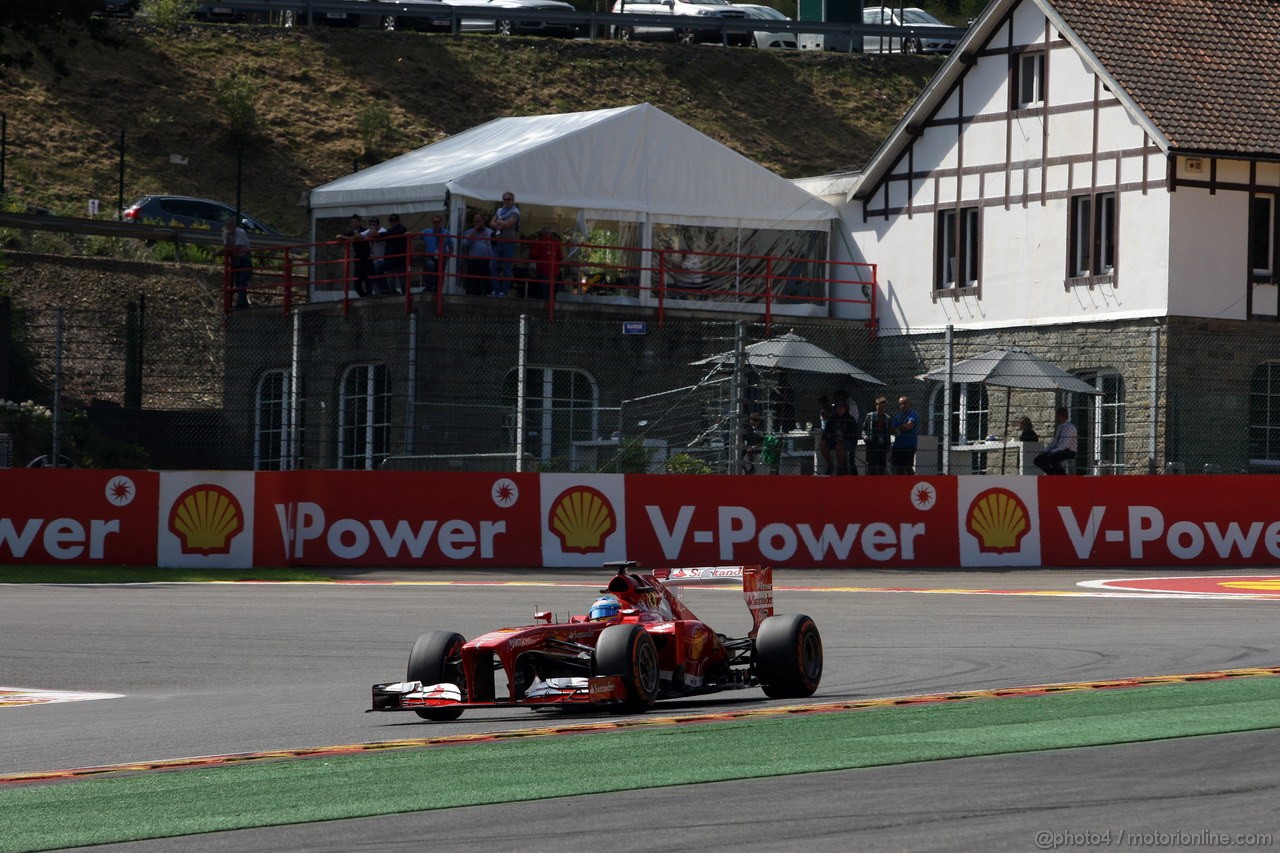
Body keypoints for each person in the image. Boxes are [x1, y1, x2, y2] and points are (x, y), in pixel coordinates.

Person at [488, 192, 520, 297]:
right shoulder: (500, 210)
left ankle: (504, 291)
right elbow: (491, 223)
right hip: (498, 242)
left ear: (513, 200)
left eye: (508, 199)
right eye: (505, 199)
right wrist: (501, 223)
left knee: (507, 268)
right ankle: (496, 289)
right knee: (493, 266)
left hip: (509, 243)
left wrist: (498, 222)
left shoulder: (515, 212)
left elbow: (508, 224)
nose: (506, 201)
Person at [336, 214, 372, 297]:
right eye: (352, 222)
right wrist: (340, 236)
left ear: (359, 222)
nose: (354, 224)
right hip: (358, 258)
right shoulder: (351, 232)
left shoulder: (364, 230)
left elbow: (356, 237)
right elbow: (341, 236)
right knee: (357, 283)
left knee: (367, 278)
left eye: (355, 222)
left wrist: (343, 236)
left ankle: (369, 295)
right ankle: (364, 297)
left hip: (366, 257)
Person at [1035, 407, 1078, 474]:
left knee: (1052, 457)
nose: (1056, 418)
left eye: (1057, 416)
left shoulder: (1070, 428)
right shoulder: (1060, 427)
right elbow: (1055, 442)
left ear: (1060, 416)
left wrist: (1053, 451)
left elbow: (1065, 445)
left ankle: (1062, 476)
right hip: (1058, 449)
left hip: (1069, 450)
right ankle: (1051, 474)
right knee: (1038, 460)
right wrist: (1046, 451)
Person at [221, 216, 252, 309]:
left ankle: (241, 303)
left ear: (235, 225)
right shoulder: (225, 233)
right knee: (238, 282)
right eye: (228, 224)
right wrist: (225, 250)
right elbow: (227, 245)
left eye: (231, 224)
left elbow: (237, 247)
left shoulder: (240, 232)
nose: (230, 226)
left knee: (242, 281)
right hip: (235, 258)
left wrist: (223, 251)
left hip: (244, 257)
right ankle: (243, 302)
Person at [460, 212, 493, 296]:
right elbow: (465, 243)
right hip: (474, 260)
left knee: (487, 280)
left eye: (479, 221)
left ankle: (487, 294)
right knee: (474, 281)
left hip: (486, 260)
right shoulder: (469, 232)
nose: (478, 223)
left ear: (483, 221)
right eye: (476, 221)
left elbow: (494, 245)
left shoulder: (490, 232)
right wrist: (473, 232)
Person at [419, 214, 454, 293]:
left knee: (440, 274)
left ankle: (437, 290)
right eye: (434, 222)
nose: (436, 224)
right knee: (431, 266)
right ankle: (429, 287)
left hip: (441, 257)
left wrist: (447, 258)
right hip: (430, 256)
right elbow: (416, 236)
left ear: (441, 222)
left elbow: (451, 247)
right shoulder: (427, 231)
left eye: (438, 222)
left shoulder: (446, 233)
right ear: (432, 223)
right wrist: (408, 233)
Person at [825, 400, 860, 475]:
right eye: (838, 408)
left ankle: (841, 468)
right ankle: (830, 465)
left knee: (839, 446)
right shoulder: (832, 418)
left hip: (847, 441)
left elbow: (853, 435)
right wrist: (832, 437)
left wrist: (843, 437)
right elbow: (826, 432)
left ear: (845, 409)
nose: (839, 409)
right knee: (822, 444)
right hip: (834, 439)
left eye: (841, 408)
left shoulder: (850, 419)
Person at [528, 226, 562, 299]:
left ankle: (543, 303)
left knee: (542, 288)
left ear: (542, 234)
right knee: (551, 288)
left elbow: (533, 254)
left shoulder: (539, 242)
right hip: (554, 270)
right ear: (550, 234)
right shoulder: (556, 243)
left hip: (542, 269)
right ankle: (550, 303)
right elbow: (560, 257)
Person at [890, 395, 920, 475]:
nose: (903, 405)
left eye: (905, 403)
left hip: (909, 445)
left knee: (908, 466)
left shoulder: (913, 414)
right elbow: (892, 429)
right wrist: (900, 428)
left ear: (910, 404)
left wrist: (898, 429)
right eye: (901, 404)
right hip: (898, 445)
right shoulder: (898, 416)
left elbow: (909, 426)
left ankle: (911, 483)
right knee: (899, 468)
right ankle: (901, 485)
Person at [380, 213, 409, 295]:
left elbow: (393, 235)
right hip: (392, 258)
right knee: (390, 278)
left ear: (398, 221)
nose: (393, 223)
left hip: (400, 258)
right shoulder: (390, 231)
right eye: (391, 221)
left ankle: (405, 294)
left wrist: (380, 234)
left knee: (402, 279)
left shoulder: (402, 229)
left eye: (395, 221)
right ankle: (391, 292)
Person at [863, 395, 893, 475]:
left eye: (882, 407)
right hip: (872, 446)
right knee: (871, 468)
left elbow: (889, 433)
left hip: (883, 446)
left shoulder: (887, 418)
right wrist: (865, 437)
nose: (880, 409)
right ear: (876, 406)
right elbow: (863, 430)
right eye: (879, 407)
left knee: (882, 468)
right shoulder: (870, 416)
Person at [365, 216, 390, 294]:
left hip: (382, 258)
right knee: (368, 271)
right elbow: (359, 235)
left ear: (378, 225)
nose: (373, 226)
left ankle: (385, 290)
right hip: (373, 258)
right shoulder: (369, 231)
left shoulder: (383, 230)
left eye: (374, 224)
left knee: (378, 269)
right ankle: (376, 292)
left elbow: (376, 234)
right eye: (371, 225)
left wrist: (371, 234)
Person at [816, 395, 834, 475]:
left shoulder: (835, 409)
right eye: (823, 406)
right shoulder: (822, 412)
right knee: (821, 444)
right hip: (828, 435)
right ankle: (830, 464)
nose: (824, 407)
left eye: (826, 405)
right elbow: (824, 426)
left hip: (837, 433)